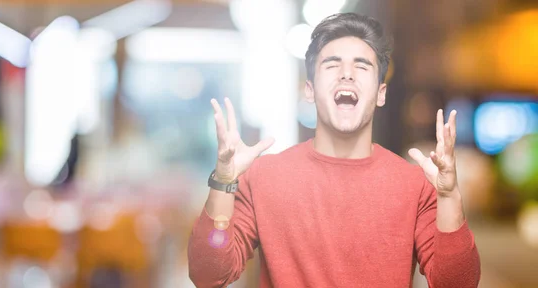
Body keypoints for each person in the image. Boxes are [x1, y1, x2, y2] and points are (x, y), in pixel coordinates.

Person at [188, 12, 481, 288]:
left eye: (362, 66)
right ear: (310, 90)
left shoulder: (416, 185)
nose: (347, 74)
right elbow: (208, 273)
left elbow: (457, 282)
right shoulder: (263, 177)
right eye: (332, 64)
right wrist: (224, 181)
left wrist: (449, 195)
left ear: (380, 94)